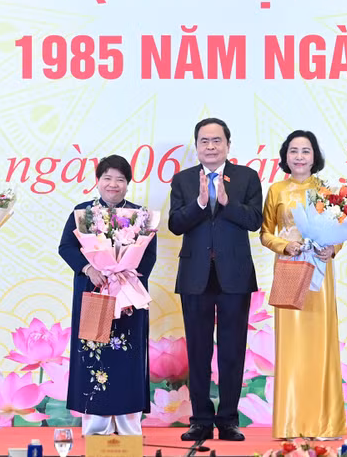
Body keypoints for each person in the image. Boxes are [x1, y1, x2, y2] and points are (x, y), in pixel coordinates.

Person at [169, 118, 263, 442]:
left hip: (234, 278)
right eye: (204, 141)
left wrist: (226, 202)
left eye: (216, 141)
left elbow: (254, 221)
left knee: (232, 351)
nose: (210, 146)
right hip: (196, 277)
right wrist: (199, 204)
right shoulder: (182, 181)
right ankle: (200, 420)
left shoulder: (246, 178)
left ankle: (228, 420)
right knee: (197, 352)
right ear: (196, 146)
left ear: (227, 144)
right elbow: (175, 225)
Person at [59, 154, 157, 436]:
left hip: (129, 297)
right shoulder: (83, 213)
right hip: (94, 292)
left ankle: (128, 425)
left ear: (128, 183)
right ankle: (96, 425)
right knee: (95, 353)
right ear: (98, 181)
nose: (113, 184)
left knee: (128, 357)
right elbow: (66, 247)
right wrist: (88, 268)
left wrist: (126, 280)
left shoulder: (141, 216)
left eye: (120, 179)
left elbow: (148, 255)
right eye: (107, 178)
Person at [260, 130, 347, 439]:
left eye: (305, 151)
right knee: (291, 346)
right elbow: (265, 233)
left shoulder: (327, 191)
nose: (299, 156)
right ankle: (291, 422)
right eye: (294, 150)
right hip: (288, 270)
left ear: (314, 156)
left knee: (320, 344)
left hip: (320, 275)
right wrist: (285, 246)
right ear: (285, 155)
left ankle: (324, 423)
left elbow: (340, 232)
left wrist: (332, 249)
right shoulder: (276, 190)